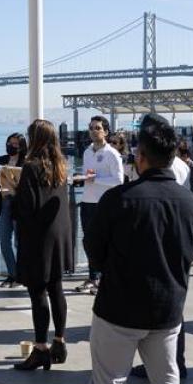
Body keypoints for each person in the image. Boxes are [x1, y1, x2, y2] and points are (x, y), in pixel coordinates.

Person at [55, 114, 193, 384]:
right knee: (167, 382)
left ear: (140, 156)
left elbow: (97, 253)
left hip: (119, 307)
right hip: (168, 308)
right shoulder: (190, 203)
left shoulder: (118, 200)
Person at [13, 120, 74, 371]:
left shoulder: (31, 166)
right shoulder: (61, 166)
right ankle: (59, 342)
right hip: (59, 233)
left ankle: (40, 349)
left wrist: (11, 193)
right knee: (56, 288)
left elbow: (26, 207)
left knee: (38, 291)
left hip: (38, 237)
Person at [74, 116, 123, 295]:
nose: (94, 131)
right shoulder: (87, 152)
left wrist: (96, 180)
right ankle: (93, 277)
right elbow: (89, 176)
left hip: (104, 204)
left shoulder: (112, 154)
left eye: (98, 128)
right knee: (88, 241)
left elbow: (118, 180)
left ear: (106, 132)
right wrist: (81, 179)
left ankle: (104, 278)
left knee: (103, 242)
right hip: (87, 201)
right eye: (91, 127)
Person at [0, 132, 27, 286]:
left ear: (21, 147)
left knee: (19, 243)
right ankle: (12, 274)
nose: (10, 146)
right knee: (4, 241)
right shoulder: (2, 160)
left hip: (19, 205)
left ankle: (21, 275)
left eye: (14, 144)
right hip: (5, 202)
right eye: (9, 143)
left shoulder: (25, 161)